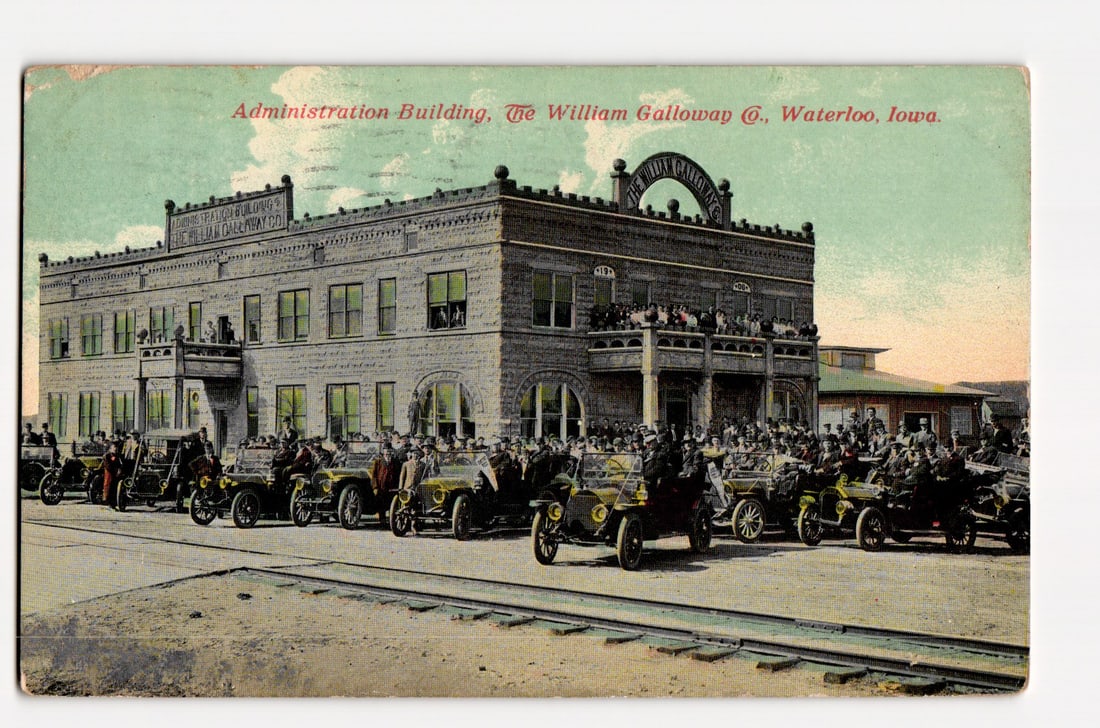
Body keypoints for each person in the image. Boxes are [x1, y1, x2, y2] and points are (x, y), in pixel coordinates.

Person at [101, 440, 123, 508]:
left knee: (115, 488)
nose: (115, 449)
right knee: (108, 487)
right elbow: (108, 466)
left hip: (116, 475)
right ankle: (108, 502)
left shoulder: (117, 456)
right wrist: (115, 471)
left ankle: (114, 503)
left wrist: (119, 469)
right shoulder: (107, 456)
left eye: (116, 447)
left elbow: (119, 464)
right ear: (110, 448)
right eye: (114, 447)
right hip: (109, 474)